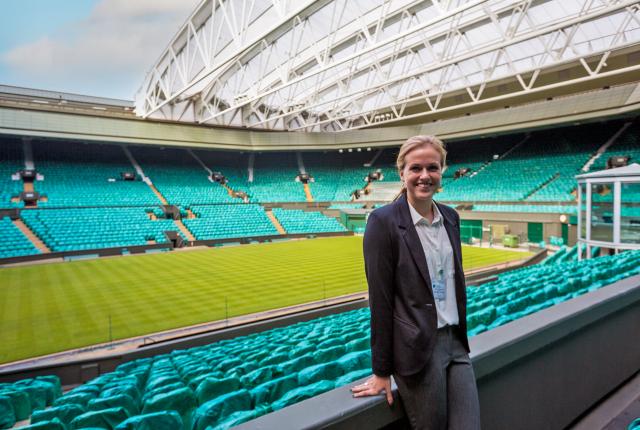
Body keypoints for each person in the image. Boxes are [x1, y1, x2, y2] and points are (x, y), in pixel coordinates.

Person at [351, 135, 481, 429]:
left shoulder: (451, 217)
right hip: (417, 351)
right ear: (402, 173)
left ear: (442, 170)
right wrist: (382, 371)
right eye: (416, 169)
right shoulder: (382, 222)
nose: (424, 176)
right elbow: (381, 301)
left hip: (456, 343)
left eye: (432, 168)